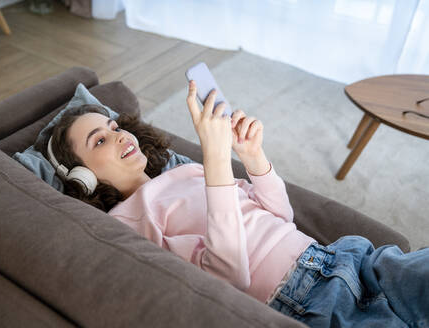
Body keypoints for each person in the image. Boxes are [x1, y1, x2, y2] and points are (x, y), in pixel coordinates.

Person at [44, 80, 429, 328]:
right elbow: (229, 275)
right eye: (99, 141)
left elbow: (280, 217)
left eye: (113, 127)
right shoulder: (128, 224)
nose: (118, 136)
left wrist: (253, 157)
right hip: (308, 302)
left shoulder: (183, 172)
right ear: (83, 177)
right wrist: (216, 158)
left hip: (343, 258)